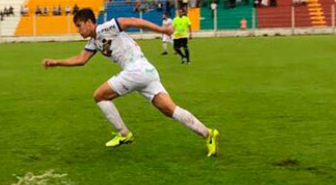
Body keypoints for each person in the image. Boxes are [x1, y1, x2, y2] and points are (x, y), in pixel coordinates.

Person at [41, 8, 219, 155]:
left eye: (79, 26)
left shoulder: (106, 27)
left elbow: (135, 21)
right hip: (147, 72)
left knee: (100, 96)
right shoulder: (94, 41)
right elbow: (81, 60)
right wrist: (56, 62)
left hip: (136, 70)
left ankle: (124, 134)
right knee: (169, 110)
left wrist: (162, 30)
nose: (79, 30)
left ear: (89, 22)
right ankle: (207, 133)